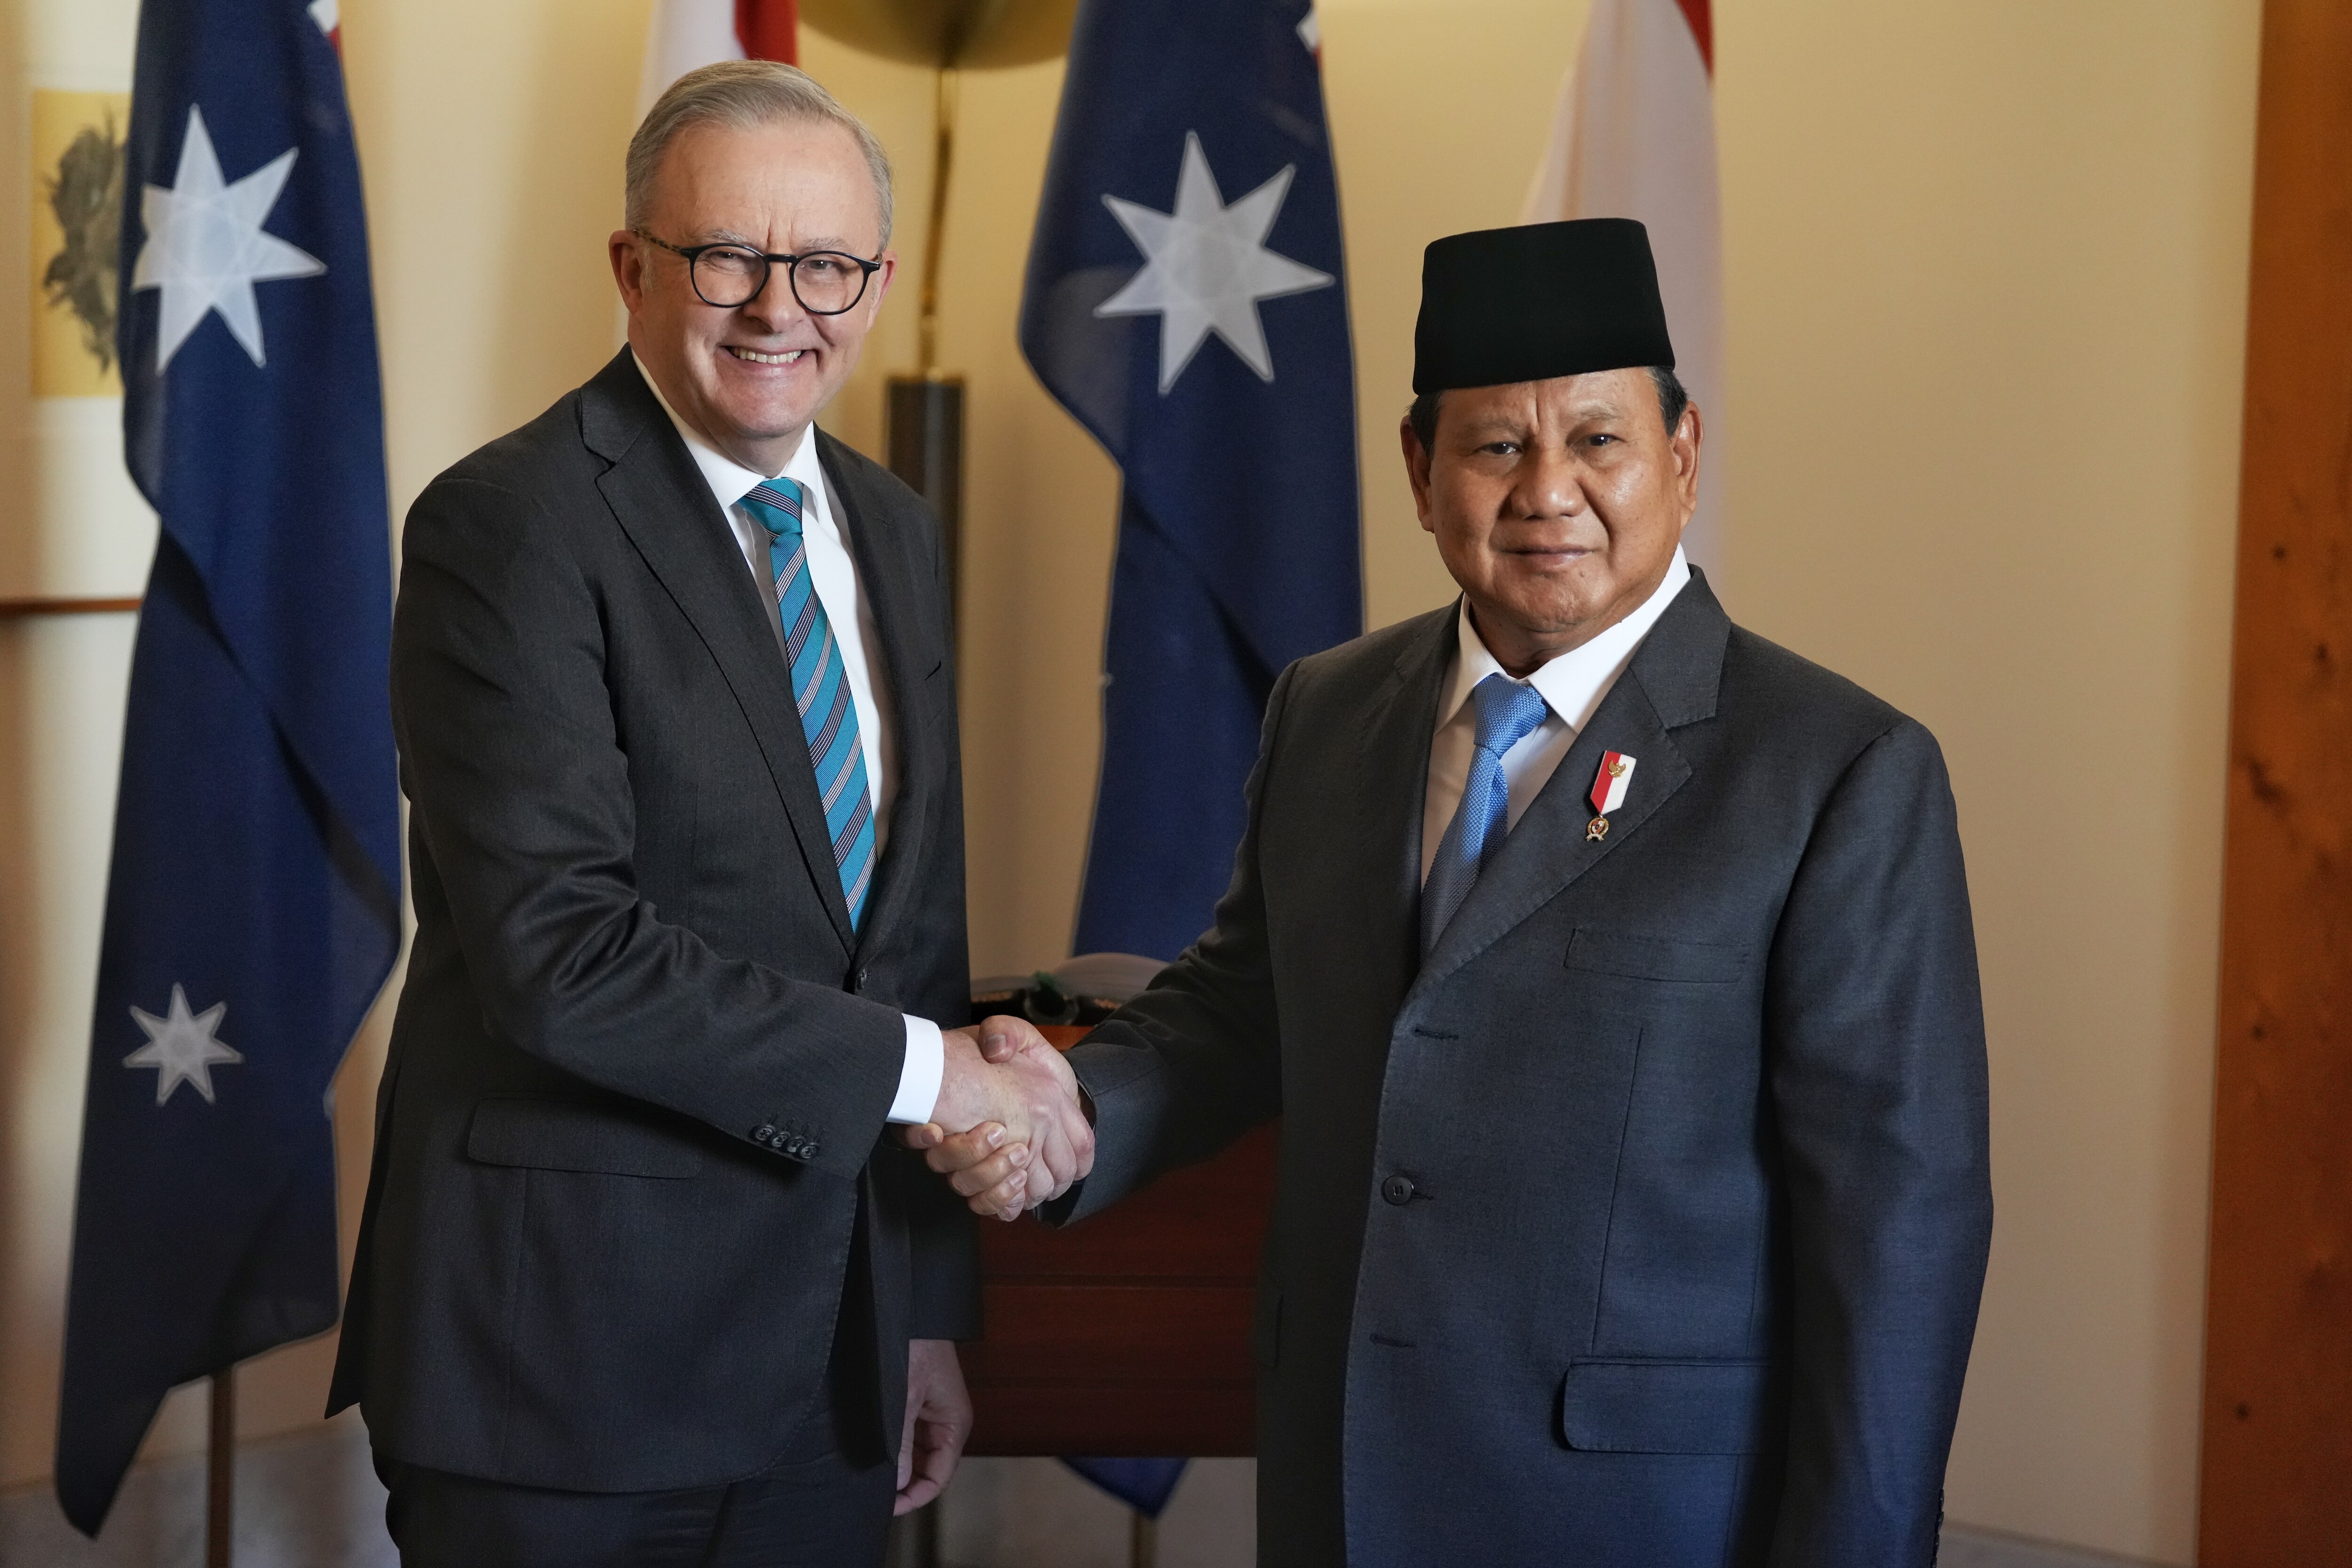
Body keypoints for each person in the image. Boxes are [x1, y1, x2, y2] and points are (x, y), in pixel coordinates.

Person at [926, 219, 1993, 1566]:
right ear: (1421, 472)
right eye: (1497, 447)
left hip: (1644, 1519)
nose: (1547, 493)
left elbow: (1898, 1230)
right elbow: (1250, 1007)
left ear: (1683, 455)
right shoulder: (1327, 707)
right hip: (1343, 1478)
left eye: (1597, 441)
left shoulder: (1837, 770)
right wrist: (1071, 1110)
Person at [327, 62, 1090, 1568]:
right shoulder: (509, 526)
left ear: (872, 279)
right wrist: (939, 1081)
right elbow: (566, 954)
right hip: (561, 1375)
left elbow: (907, 937)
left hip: (826, 1371)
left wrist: (923, 1316)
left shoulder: (892, 525)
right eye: (727, 256)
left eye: (827, 265)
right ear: (632, 267)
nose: (777, 308)